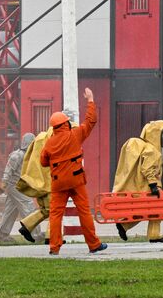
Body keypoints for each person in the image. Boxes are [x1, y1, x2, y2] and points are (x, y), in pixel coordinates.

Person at [40, 88, 108, 255]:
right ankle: (94, 245)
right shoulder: (75, 134)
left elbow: (43, 162)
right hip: (76, 181)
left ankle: (54, 247)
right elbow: (91, 121)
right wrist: (90, 100)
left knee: (55, 215)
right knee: (84, 211)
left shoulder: (49, 143)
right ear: (66, 123)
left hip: (58, 183)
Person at [113, 119, 163, 243]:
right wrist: (154, 185)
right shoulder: (152, 150)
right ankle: (154, 235)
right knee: (157, 211)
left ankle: (124, 226)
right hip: (149, 187)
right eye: (162, 134)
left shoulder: (142, 147)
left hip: (138, 187)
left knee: (144, 211)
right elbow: (148, 169)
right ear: (155, 134)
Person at [0, 133, 36, 243]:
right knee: (29, 206)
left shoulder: (28, 155)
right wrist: (3, 184)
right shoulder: (17, 156)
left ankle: (2, 235)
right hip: (15, 186)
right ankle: (35, 235)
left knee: (10, 211)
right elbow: (8, 171)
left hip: (19, 186)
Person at [16, 126, 53, 244]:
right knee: (54, 210)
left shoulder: (38, 142)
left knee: (46, 210)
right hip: (47, 183)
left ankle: (26, 226)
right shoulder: (49, 142)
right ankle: (51, 237)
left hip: (38, 182)